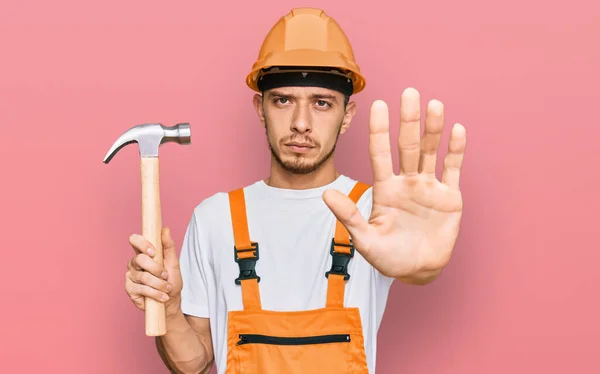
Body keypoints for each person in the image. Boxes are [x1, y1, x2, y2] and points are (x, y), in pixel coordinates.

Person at [125, 7, 467, 374]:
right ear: (260, 107)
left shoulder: (376, 211)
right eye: (283, 100)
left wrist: (424, 267)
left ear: (347, 115)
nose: (301, 124)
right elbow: (191, 364)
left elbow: (415, 263)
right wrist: (171, 306)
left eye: (322, 103)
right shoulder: (215, 218)